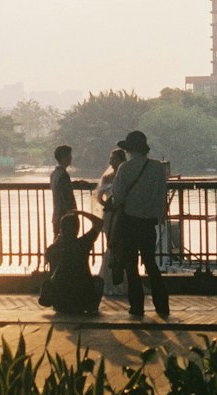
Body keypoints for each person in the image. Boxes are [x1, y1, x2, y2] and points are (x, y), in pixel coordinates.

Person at [109, 129, 170, 317]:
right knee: (151, 264)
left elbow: (117, 198)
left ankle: (137, 306)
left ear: (129, 149)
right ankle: (162, 305)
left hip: (129, 223)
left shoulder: (125, 168)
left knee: (131, 265)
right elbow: (161, 196)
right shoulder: (157, 167)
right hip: (148, 224)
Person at [41, 212, 104, 315]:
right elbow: (99, 223)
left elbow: (46, 258)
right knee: (98, 281)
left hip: (60, 303)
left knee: (48, 281)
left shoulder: (54, 248)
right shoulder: (83, 243)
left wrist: (57, 240)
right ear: (77, 229)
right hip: (81, 301)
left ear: (61, 229)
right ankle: (91, 306)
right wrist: (82, 213)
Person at [95, 145, 127, 291]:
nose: (111, 162)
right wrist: (108, 205)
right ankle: (110, 278)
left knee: (122, 244)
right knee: (111, 244)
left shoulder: (124, 175)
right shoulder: (107, 177)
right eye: (110, 159)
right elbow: (99, 196)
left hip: (122, 213)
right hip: (111, 213)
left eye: (114, 159)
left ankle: (119, 277)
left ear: (121, 160)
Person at [49, 144, 92, 239]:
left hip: (56, 216)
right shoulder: (64, 175)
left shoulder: (54, 174)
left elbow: (62, 188)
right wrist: (73, 215)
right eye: (69, 156)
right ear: (64, 158)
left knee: (58, 244)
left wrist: (75, 184)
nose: (71, 158)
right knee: (68, 244)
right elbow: (67, 198)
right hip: (65, 218)